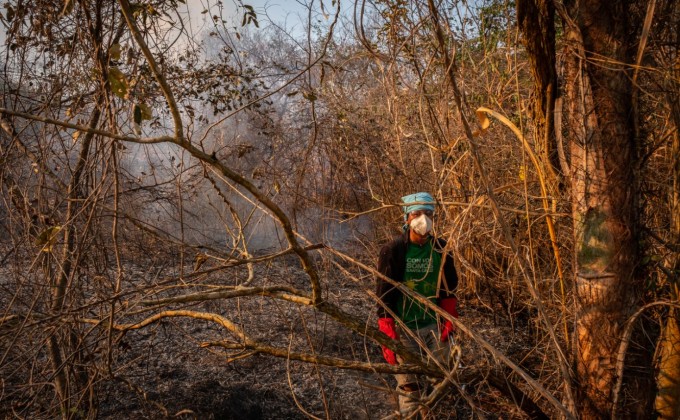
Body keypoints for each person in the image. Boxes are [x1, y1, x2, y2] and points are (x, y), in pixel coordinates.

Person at [376, 192, 459, 415]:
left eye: (429, 213)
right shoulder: (393, 251)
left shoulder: (441, 248)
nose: (424, 219)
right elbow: (383, 294)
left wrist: (450, 319)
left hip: (434, 328)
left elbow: (449, 289)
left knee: (438, 387)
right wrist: (387, 331)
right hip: (405, 330)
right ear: (407, 218)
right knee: (409, 389)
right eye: (417, 213)